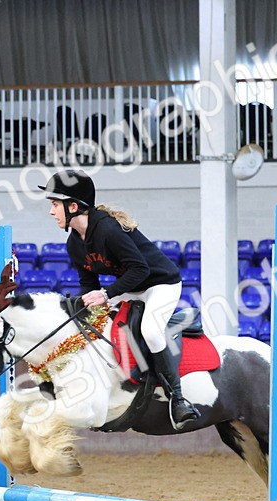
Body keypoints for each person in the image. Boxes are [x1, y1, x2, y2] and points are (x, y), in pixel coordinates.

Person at [40, 169, 200, 429]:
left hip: (160, 284)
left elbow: (140, 269)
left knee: (151, 331)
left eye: (55, 204)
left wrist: (106, 294)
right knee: (93, 326)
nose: (51, 211)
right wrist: (81, 309)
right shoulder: (74, 243)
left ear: (73, 206)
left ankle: (178, 399)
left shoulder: (108, 230)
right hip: (131, 287)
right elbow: (88, 284)